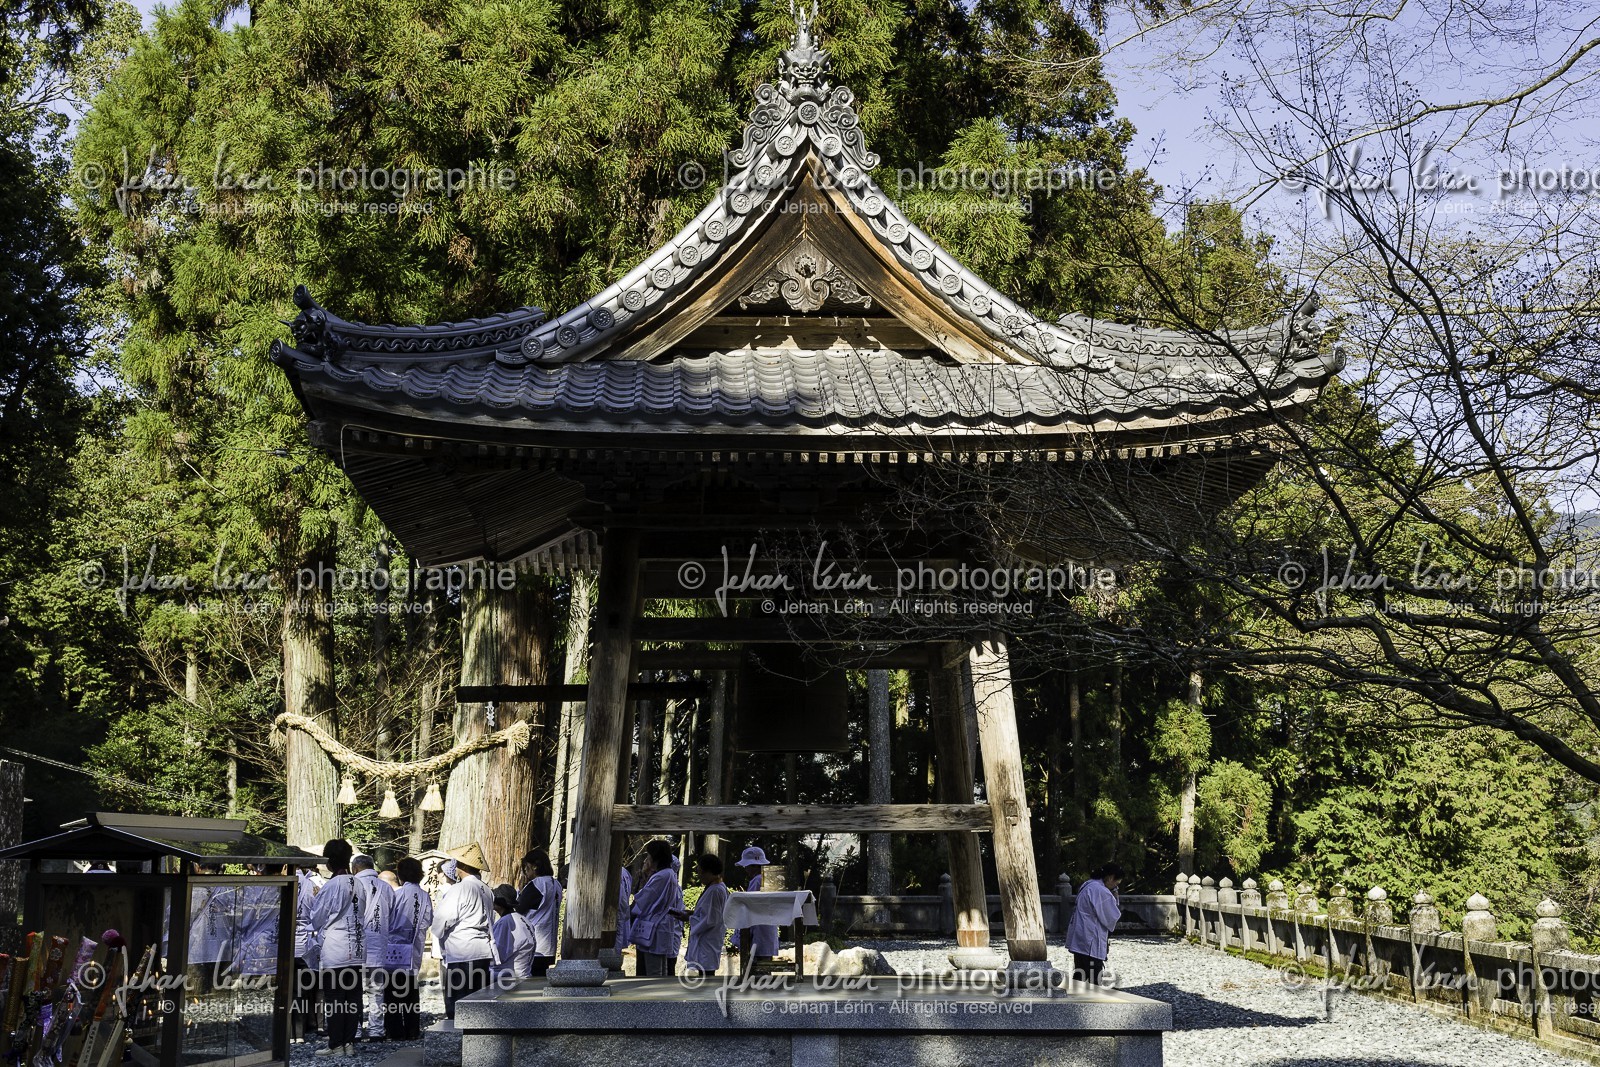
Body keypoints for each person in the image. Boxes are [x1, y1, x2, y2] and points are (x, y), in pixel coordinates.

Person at [310, 840, 364, 1058]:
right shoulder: (358, 883)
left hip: (336, 949)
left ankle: (336, 1045)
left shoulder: (331, 886)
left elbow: (316, 919)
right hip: (357, 947)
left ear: (329, 862)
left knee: (335, 999)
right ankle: (349, 1043)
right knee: (353, 998)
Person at [430, 843, 496, 1019]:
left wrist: (437, 931)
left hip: (463, 950)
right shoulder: (486, 889)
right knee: (478, 1003)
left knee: (460, 1002)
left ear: (464, 866)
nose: (455, 867)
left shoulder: (460, 889)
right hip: (482, 949)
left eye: (458, 864)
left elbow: (443, 919)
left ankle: (457, 1039)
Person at [384, 857, 432, 1041]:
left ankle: (395, 1031)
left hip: (395, 947)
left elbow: (388, 918)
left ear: (401, 875)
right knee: (411, 991)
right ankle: (412, 1030)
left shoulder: (397, 894)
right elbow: (427, 920)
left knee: (392, 992)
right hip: (414, 946)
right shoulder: (424, 895)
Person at [351, 855, 392, 1041]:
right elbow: (392, 912)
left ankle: (356, 1029)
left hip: (355, 945)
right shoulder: (386, 887)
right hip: (379, 944)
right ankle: (376, 1029)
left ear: (354, 869)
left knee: (354, 989)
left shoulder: (351, 884)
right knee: (376, 990)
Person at [1065, 863, 1124, 986]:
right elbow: (1111, 916)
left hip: (1081, 935)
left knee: (1080, 971)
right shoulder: (1100, 891)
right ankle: (1092, 1001)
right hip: (1091, 938)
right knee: (1094, 974)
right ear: (1110, 877)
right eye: (1116, 884)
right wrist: (1115, 896)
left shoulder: (1088, 885)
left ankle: (1074, 999)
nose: (1115, 887)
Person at [629, 840, 680, 977]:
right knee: (661, 969)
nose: (647, 858)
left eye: (649, 855)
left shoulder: (661, 876)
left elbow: (644, 900)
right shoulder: (669, 874)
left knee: (654, 971)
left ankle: (654, 998)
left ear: (655, 857)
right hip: (662, 925)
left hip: (655, 926)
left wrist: (630, 912)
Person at [674, 854, 729, 977]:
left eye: (700, 872)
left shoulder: (715, 890)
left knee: (706, 974)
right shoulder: (716, 887)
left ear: (708, 872)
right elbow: (710, 913)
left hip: (707, 939)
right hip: (709, 939)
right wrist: (693, 913)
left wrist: (688, 918)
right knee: (704, 972)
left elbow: (710, 919)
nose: (699, 875)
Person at [514, 850, 562, 977]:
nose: (525, 870)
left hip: (534, 943)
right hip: (549, 944)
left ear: (534, 866)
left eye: (526, 867)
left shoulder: (538, 884)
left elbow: (519, 908)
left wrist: (519, 892)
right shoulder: (556, 884)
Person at [731, 846, 777, 965]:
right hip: (768, 930)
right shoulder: (769, 879)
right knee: (765, 968)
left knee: (755, 970)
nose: (746, 869)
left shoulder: (757, 881)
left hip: (758, 931)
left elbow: (750, 904)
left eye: (747, 866)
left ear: (754, 866)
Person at [291, 865, 321, 1044]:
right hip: (306, 944)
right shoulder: (313, 886)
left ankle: (290, 1033)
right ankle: (302, 1032)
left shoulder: (283, 882)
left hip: (286, 944)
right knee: (303, 990)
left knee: (288, 992)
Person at [490, 886, 536, 981]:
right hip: (524, 972)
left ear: (499, 903)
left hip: (510, 975)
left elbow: (497, 956)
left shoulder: (505, 922)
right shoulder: (523, 919)